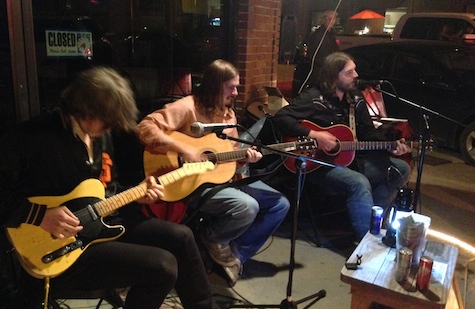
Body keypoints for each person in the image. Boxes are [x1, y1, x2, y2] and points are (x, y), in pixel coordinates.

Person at [0, 67, 213, 309]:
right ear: (86, 111)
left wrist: (138, 194)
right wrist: (40, 216)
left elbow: (106, 189)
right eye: (107, 122)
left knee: (183, 237)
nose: (110, 129)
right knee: (163, 267)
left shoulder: (100, 135)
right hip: (60, 245)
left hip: (103, 221)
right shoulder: (32, 138)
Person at [136, 59, 290, 287]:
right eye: (231, 87)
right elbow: (145, 127)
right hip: (189, 182)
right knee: (247, 206)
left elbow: (229, 159)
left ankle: (233, 255)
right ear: (215, 85)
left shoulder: (229, 116)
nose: (236, 93)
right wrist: (184, 148)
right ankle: (212, 238)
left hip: (222, 179)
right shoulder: (188, 106)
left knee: (280, 204)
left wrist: (245, 159)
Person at [272, 52, 412, 241]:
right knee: (358, 182)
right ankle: (368, 242)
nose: (356, 75)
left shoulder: (355, 99)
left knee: (400, 168)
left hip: (351, 160)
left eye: (354, 70)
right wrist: (314, 135)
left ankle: (371, 221)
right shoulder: (313, 98)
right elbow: (280, 118)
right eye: (349, 72)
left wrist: (390, 146)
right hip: (318, 163)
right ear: (333, 76)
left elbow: (367, 132)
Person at [294, 10, 340, 96]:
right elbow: (313, 50)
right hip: (319, 66)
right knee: (313, 85)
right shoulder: (318, 34)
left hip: (329, 66)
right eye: (328, 18)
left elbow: (335, 49)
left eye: (332, 19)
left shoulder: (332, 34)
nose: (330, 21)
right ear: (324, 20)